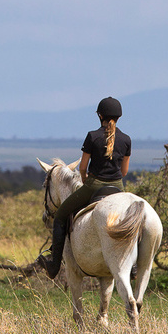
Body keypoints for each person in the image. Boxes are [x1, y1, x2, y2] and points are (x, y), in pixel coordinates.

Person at [35, 96, 131, 279]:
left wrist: (87, 180)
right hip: (118, 188)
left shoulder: (92, 136)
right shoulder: (126, 140)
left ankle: (54, 265)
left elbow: (82, 168)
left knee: (61, 215)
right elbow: (124, 171)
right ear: (119, 116)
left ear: (100, 115)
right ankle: (132, 265)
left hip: (94, 186)